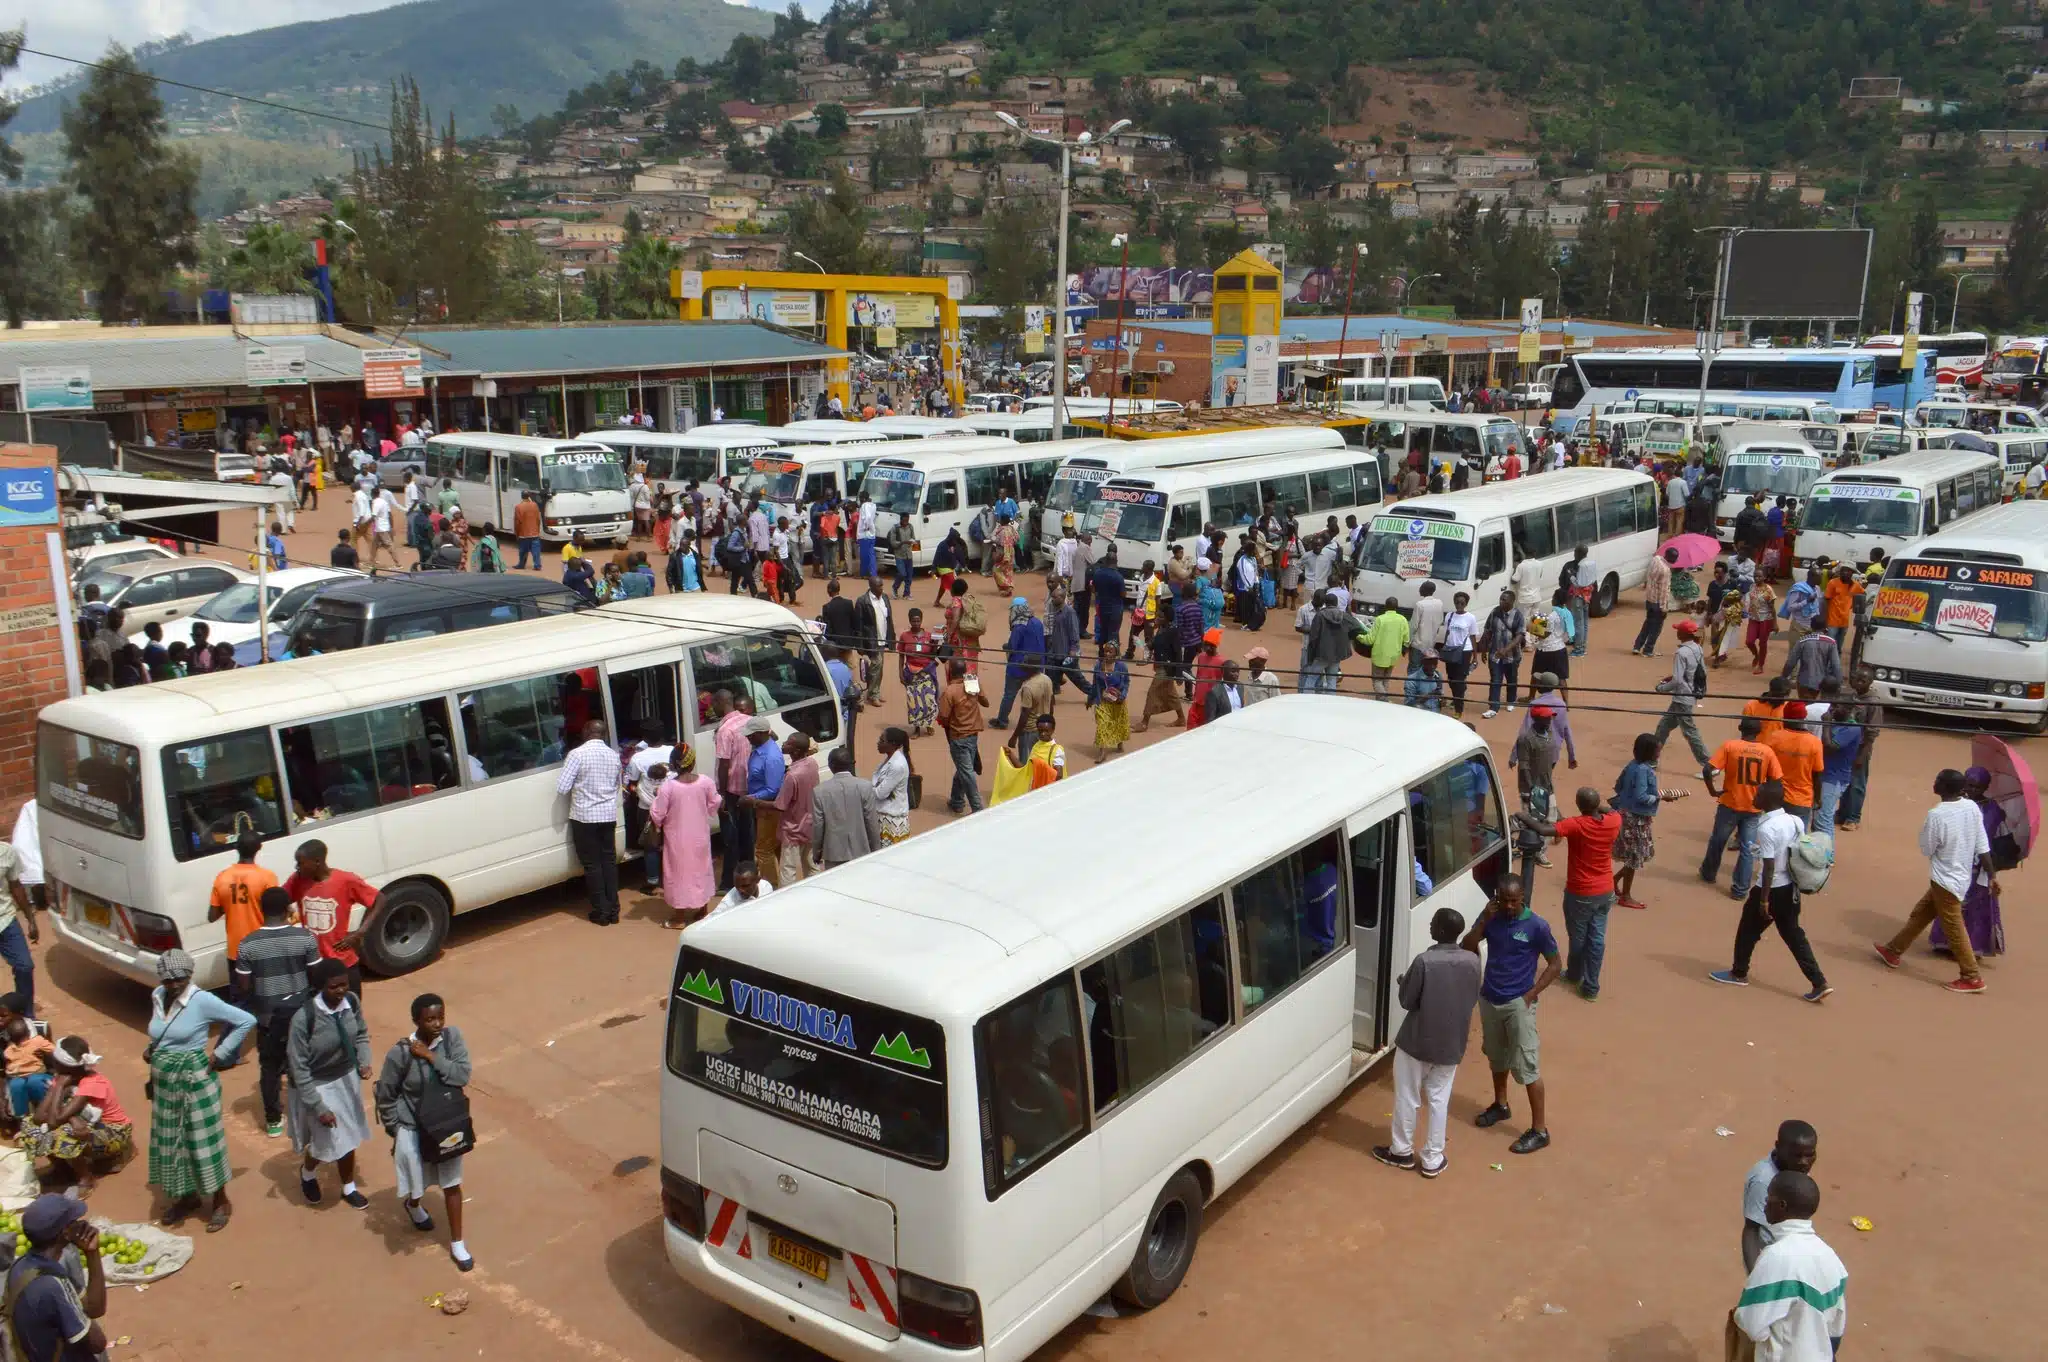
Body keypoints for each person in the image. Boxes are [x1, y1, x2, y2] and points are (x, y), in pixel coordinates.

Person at [146, 949, 253, 1232]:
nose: (173, 985)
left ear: (189, 976)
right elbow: (161, 1031)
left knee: (202, 1142)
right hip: (165, 1082)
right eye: (168, 980)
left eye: (179, 979)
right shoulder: (158, 996)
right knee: (171, 1140)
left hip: (195, 1080)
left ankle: (220, 1202)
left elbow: (245, 1020)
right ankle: (187, 1196)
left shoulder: (201, 1000)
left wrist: (221, 1053)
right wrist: (153, 1051)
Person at [1370, 907, 1481, 1178]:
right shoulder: (1473, 961)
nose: (1430, 926)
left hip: (1416, 1043)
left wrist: (1402, 983)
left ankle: (1402, 1151)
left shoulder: (1424, 961)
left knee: (1408, 1097)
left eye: (1433, 923)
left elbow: (1407, 1001)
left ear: (1441, 930)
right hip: (1451, 1044)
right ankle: (1432, 1158)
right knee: (1439, 1100)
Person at [375, 993, 474, 1271]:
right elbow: (386, 1094)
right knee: (417, 1179)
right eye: (430, 1018)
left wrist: (430, 1056)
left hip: (446, 1123)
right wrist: (396, 1127)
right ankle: (414, 1205)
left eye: (440, 1016)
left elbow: (462, 1075)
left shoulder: (452, 1039)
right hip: (413, 1126)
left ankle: (457, 1243)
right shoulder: (400, 1053)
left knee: (451, 1182)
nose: (437, 1023)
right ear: (416, 1020)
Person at [1460, 876, 1558, 1155]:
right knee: (1496, 1056)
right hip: (1490, 998)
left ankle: (1540, 1130)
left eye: (1514, 901)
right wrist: (1483, 922)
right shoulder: (1490, 916)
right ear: (1497, 897)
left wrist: (1531, 995)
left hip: (1519, 1003)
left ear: (1523, 897)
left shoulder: (1537, 926)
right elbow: (1467, 946)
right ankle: (1501, 1105)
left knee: (1527, 1067)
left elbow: (1555, 964)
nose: (1509, 906)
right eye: (1504, 900)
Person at [1874, 768, 1994, 993]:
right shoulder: (1971, 807)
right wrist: (1992, 874)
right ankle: (1893, 950)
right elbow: (1982, 843)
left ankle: (1972, 976)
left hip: (1944, 879)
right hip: (1960, 877)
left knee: (1954, 927)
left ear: (1946, 787)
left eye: (1938, 780)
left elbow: (1927, 848)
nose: (1935, 782)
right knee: (1922, 913)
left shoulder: (1937, 814)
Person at [1710, 781, 1832, 1002]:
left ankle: (1738, 973)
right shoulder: (1795, 820)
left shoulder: (1766, 828)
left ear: (1768, 800)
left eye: (1758, 795)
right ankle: (1818, 981)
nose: (1755, 797)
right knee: (1794, 935)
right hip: (1790, 888)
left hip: (1771, 889)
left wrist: (1764, 900)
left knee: (1747, 931)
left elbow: (1769, 866)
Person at [1731, 1172, 1847, 1362]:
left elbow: (1750, 1322)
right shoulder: (1831, 1258)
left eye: (1769, 1198)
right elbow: (1836, 1328)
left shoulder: (1776, 1257)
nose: (1765, 1203)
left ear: (1781, 1205)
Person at [232, 886, 320, 1137]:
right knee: (304, 1064)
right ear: (288, 910)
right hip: (302, 1016)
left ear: (261, 910)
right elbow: (316, 976)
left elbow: (244, 985)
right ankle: (308, 1112)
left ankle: (273, 1120)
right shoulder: (305, 938)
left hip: (268, 1018)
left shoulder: (247, 945)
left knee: (269, 1068)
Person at [286, 958, 373, 1209]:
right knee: (325, 1141)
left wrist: (364, 1060)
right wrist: (319, 1106)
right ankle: (308, 1173)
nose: (341, 991)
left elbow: (362, 1034)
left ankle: (348, 1187)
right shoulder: (304, 1019)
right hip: (317, 1083)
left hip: (345, 1078)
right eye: (334, 987)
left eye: (344, 985)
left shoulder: (352, 1003)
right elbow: (299, 1068)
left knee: (349, 1135)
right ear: (321, 987)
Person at [1532, 787, 1622, 1001]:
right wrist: (1596, 804)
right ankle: (1591, 987)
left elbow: (1545, 831)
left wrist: (1522, 817)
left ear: (1579, 805)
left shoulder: (1576, 824)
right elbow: (1610, 809)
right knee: (1597, 939)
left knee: (1579, 938)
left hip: (1580, 891)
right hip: (1605, 890)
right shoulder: (1614, 820)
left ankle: (1574, 974)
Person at [20, 1037, 133, 1198]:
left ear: (65, 1066)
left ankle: (86, 1178)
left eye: (56, 1061)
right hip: (87, 1126)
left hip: (113, 1132)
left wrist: (58, 1088)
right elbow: (38, 1117)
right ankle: (63, 1170)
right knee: (29, 1124)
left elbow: (53, 1120)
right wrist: (57, 1091)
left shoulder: (92, 1083)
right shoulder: (63, 1077)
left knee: (62, 1133)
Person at [6, 1194, 112, 1362]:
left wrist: (92, 1254)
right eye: (74, 1221)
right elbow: (98, 1343)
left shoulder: (20, 1267)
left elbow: (95, 1308)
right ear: (66, 1232)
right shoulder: (53, 1284)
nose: (81, 1224)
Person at [1700, 717, 1784, 901]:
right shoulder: (1767, 752)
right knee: (1747, 849)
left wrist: (1713, 790)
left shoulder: (1730, 746)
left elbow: (1708, 769)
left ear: (1740, 728)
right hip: (1754, 807)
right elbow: (1776, 780)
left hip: (1730, 802)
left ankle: (1708, 873)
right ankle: (1740, 890)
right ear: (1759, 732)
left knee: (1718, 840)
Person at [1929, 764, 2005, 959]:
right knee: (1951, 905)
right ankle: (1945, 942)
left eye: (1975, 786)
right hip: (1955, 863)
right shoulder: (1959, 803)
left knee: (1973, 908)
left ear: (1984, 788)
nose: (1970, 790)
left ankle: (1969, 951)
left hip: (1978, 866)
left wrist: (1990, 873)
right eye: (1967, 784)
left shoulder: (1993, 810)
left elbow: (1984, 841)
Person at [555, 720, 623, 925]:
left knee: (592, 865)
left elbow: (562, 787)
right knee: (609, 862)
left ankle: (601, 912)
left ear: (586, 732)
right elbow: (617, 786)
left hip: (585, 817)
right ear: (602, 734)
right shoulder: (614, 755)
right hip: (607, 816)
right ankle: (613, 910)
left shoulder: (576, 755)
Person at [649, 747, 722, 930]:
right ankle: (703, 911)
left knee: (678, 874)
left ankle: (679, 918)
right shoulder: (706, 782)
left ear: (673, 764)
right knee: (701, 871)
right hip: (700, 837)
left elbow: (657, 814)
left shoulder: (668, 787)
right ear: (693, 762)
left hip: (677, 840)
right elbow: (715, 803)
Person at [1611, 733, 1686, 910]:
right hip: (1636, 820)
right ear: (1649, 752)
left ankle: (1615, 881)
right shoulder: (1644, 770)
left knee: (1632, 856)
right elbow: (1642, 797)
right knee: (1634, 857)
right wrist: (1661, 797)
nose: (1659, 753)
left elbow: (1618, 786)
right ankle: (1626, 896)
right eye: (1657, 750)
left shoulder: (1631, 765)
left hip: (1624, 814)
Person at [1741, 1120, 1818, 1271]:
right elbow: (1751, 1230)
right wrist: (1756, 1279)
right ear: (1778, 1147)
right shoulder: (1763, 1181)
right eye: (1797, 1156)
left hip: (1792, 1251)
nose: (1804, 1162)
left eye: (1810, 1155)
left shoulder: (1795, 1167)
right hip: (1770, 1258)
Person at [206, 830, 277, 993]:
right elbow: (276, 911)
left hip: (236, 952)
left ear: (236, 847)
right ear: (259, 848)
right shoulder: (267, 877)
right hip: (263, 948)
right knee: (265, 999)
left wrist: (232, 902)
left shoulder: (222, 877)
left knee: (240, 1001)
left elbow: (212, 916)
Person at [1652, 617, 1715, 773]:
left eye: (1678, 630)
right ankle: (1651, 759)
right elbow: (1698, 673)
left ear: (1683, 634)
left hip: (1682, 697)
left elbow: (1678, 681)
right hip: (1691, 693)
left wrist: (1662, 688)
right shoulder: (1697, 648)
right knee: (1663, 727)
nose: (1677, 632)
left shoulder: (1681, 653)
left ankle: (1709, 765)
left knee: (1690, 732)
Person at [812, 746, 880, 868]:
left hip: (833, 853)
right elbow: (871, 821)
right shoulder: (865, 786)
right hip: (861, 850)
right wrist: (876, 849)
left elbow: (818, 825)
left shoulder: (819, 791)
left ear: (831, 766)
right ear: (850, 765)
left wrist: (817, 851)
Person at [938, 658, 988, 815]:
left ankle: (977, 807)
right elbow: (985, 702)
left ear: (950, 671)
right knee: (964, 768)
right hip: (973, 735)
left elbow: (944, 717)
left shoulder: (949, 691)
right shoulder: (972, 683)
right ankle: (957, 801)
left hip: (959, 737)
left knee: (966, 772)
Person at [1762, 702, 1824, 826]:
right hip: (1801, 799)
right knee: (1797, 839)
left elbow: (1764, 768)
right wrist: (1818, 798)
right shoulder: (1814, 742)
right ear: (1804, 719)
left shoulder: (1774, 737)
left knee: (1774, 834)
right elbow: (1817, 774)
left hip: (1775, 797)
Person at [771, 732, 821, 886]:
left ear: (796, 751)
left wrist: (755, 802)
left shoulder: (792, 776)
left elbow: (780, 805)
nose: (784, 744)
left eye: (788, 743)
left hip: (793, 830)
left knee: (788, 869)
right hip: (811, 824)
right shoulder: (812, 764)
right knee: (812, 865)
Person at [743, 719, 787, 886]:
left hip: (769, 808)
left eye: (751, 735)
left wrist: (752, 799)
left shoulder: (771, 757)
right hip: (762, 808)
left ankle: (771, 886)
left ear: (761, 734)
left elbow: (773, 789)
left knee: (763, 851)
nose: (748, 738)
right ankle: (784, 882)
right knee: (775, 846)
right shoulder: (761, 748)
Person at [0, 831, 39, 1014]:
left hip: (5, 920)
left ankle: (26, 1016)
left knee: (25, 966)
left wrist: (30, 920)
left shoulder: (7, 852)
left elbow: (16, 886)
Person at [992, 598, 1045, 729]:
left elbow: (1013, 646)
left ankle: (1002, 720)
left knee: (1009, 694)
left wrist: (1006, 646)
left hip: (1018, 667)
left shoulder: (1019, 625)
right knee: (1035, 695)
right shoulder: (1037, 622)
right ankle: (1034, 721)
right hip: (1037, 666)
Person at [1480, 588, 1525, 718]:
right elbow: (1488, 631)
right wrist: (1483, 650)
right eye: (1500, 598)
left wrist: (1506, 649)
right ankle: (1493, 707)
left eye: (1504, 599)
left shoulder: (1518, 615)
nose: (1501, 601)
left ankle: (1511, 700)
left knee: (1511, 679)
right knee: (1495, 680)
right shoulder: (1495, 612)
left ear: (1512, 601)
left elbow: (1519, 636)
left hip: (1512, 656)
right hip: (1495, 654)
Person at [899, 608, 940, 737]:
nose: (916, 623)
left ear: (921, 620)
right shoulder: (904, 636)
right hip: (911, 673)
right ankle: (916, 729)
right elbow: (901, 656)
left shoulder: (929, 636)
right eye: (913, 621)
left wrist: (937, 644)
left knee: (929, 700)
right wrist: (900, 673)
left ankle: (929, 724)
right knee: (914, 702)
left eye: (918, 621)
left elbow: (934, 655)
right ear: (909, 621)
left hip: (927, 673)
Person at [1089, 640, 1130, 759]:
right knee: (1103, 724)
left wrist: (1122, 695)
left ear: (1116, 653)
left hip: (1117, 702)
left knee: (1117, 724)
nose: (1107, 654)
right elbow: (1094, 683)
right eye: (1105, 651)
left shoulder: (1121, 666)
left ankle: (1119, 742)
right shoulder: (1098, 666)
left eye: (1110, 651)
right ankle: (1102, 751)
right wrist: (1090, 698)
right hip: (1103, 701)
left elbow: (1126, 682)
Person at [1632, 547, 1677, 656]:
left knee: (1648, 623)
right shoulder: (1665, 571)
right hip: (1658, 602)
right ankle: (1648, 650)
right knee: (1656, 628)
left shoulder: (1656, 559)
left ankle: (1637, 646)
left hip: (1649, 599)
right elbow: (1663, 591)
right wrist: (1663, 607)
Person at [1779, 625, 1841, 699]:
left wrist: (1783, 677)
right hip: (1822, 684)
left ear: (1811, 627)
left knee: (1804, 707)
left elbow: (1790, 663)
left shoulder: (1802, 640)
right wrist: (1838, 684)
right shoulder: (1831, 642)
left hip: (1804, 682)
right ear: (1825, 628)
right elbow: (1836, 666)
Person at [1561, 544, 1596, 656]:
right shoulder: (1591, 563)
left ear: (1580, 553)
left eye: (1575, 552)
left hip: (1578, 597)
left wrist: (1571, 576)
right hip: (1587, 596)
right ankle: (1583, 645)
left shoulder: (1579, 565)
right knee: (1584, 622)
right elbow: (1593, 580)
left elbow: (1578, 583)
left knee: (1578, 623)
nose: (1574, 554)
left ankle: (1579, 649)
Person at [1743, 571, 1779, 674]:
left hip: (1765, 619)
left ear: (1764, 577)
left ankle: (1760, 665)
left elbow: (1772, 608)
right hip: (1753, 618)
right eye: (1755, 576)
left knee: (1763, 643)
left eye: (1759, 576)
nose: (1757, 578)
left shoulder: (1769, 590)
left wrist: (1775, 623)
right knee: (1749, 641)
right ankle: (1756, 655)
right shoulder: (1752, 587)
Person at [1202, 658, 1246, 724]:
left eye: (1238, 671)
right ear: (1223, 671)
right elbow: (1210, 719)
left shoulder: (1240, 687)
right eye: (1233, 671)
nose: (1236, 674)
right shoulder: (1214, 692)